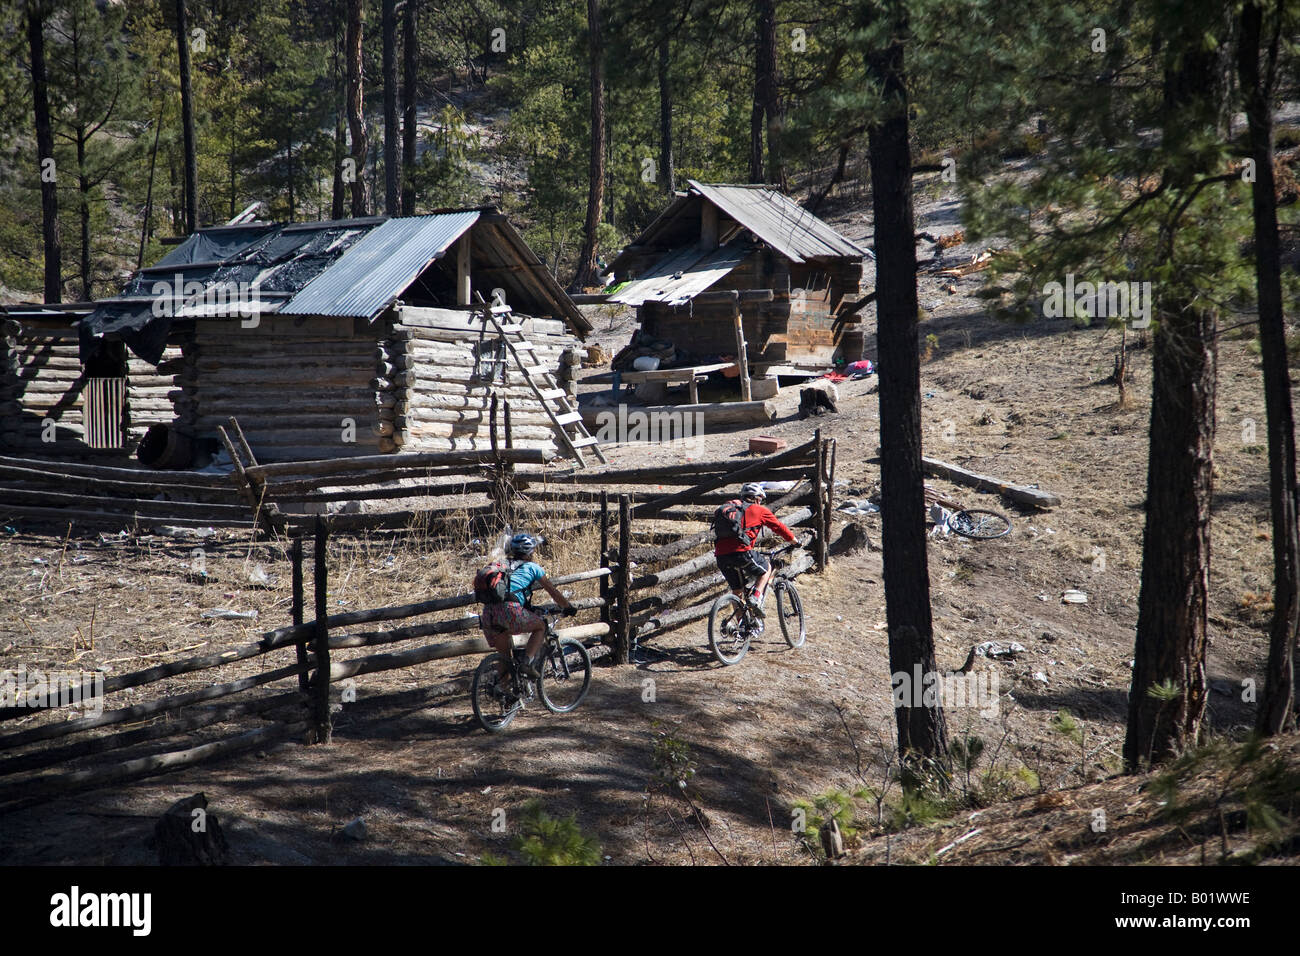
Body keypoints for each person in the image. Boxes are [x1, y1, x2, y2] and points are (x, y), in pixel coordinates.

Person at [480, 533, 577, 687]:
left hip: (488, 614)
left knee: (504, 656)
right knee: (541, 626)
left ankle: (503, 694)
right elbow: (553, 592)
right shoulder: (533, 567)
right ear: (530, 552)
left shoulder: (501, 565)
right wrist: (568, 606)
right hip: (509, 611)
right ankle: (527, 662)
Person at [714, 483, 796, 618]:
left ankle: (740, 628)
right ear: (757, 499)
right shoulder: (760, 510)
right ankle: (756, 598)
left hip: (721, 556)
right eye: (761, 500)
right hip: (742, 552)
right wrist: (794, 541)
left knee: (737, 591)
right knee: (766, 569)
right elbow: (778, 527)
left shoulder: (731, 509)